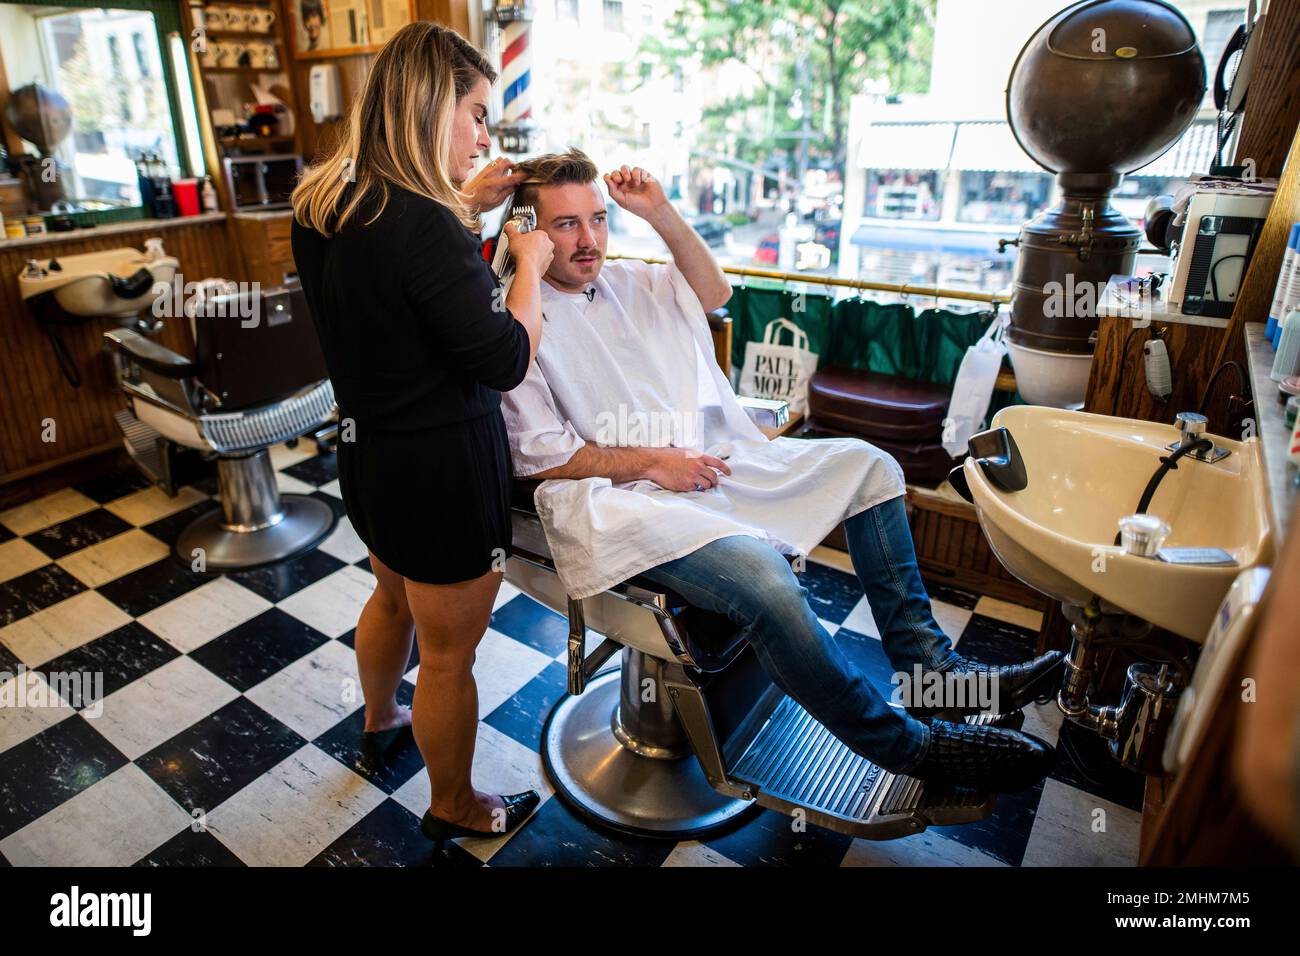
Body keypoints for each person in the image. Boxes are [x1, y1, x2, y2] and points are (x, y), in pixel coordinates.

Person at [499, 149, 1062, 792]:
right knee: (765, 580)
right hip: (618, 500)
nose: (589, 238)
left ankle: (934, 672)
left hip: (706, 464)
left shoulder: (630, 280)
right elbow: (547, 458)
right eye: (567, 224)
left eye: (597, 219)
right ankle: (907, 747)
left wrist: (658, 210)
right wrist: (656, 463)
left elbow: (715, 293)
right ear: (530, 233)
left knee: (872, 466)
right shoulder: (520, 321)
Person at [290, 22, 554, 849]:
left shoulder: (326, 198)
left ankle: (378, 717)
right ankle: (457, 805)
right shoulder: (424, 226)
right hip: (441, 470)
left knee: (389, 596)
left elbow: (396, 294)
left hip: (367, 451)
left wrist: (462, 207)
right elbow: (505, 358)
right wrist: (530, 269)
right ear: (429, 102)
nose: (483, 136)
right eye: (476, 113)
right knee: (448, 655)